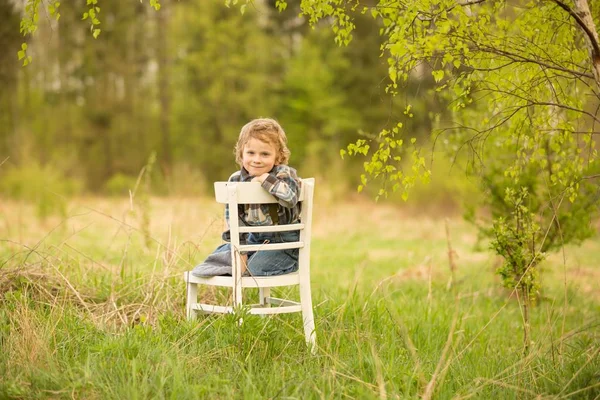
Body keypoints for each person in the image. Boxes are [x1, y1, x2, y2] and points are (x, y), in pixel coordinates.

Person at [192, 118, 302, 278]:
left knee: (252, 270)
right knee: (214, 260)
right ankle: (232, 267)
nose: (257, 159)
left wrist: (266, 180)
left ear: (278, 157)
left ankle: (246, 269)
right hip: (252, 241)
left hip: (284, 244)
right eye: (251, 153)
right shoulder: (236, 180)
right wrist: (241, 249)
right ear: (241, 154)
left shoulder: (284, 174)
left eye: (265, 154)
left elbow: (291, 198)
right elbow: (234, 219)